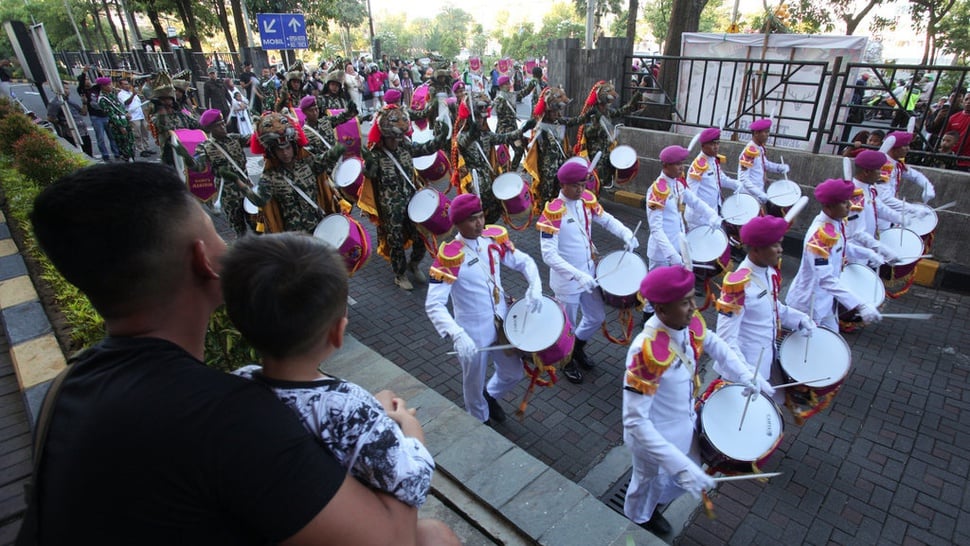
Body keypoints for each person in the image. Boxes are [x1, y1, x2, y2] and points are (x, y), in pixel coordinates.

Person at [26, 162, 458, 545]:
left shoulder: (71, 386)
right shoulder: (229, 420)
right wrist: (400, 432)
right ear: (203, 260)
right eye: (216, 234)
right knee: (434, 537)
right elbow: (393, 538)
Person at [225, 234, 437, 509]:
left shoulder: (238, 381)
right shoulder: (348, 406)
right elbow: (414, 481)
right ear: (338, 332)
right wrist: (406, 423)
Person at [623, 265, 760, 535]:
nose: (694, 307)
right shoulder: (645, 352)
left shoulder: (682, 322)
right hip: (652, 437)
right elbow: (635, 422)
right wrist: (679, 464)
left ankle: (654, 505)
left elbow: (714, 342)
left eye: (692, 298)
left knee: (687, 475)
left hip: (684, 422)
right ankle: (637, 518)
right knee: (646, 481)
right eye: (685, 302)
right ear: (661, 310)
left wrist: (745, 374)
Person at [426, 194, 543, 423]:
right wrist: (457, 334)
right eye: (472, 220)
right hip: (472, 332)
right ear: (458, 223)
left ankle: (490, 396)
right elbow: (434, 303)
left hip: (501, 323)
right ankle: (478, 419)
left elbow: (524, 262)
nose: (480, 223)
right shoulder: (450, 256)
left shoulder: (492, 240)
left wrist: (535, 286)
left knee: (513, 372)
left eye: (480, 216)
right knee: (473, 383)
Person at [538, 159, 637, 384]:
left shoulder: (586, 201)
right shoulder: (553, 212)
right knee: (567, 326)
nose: (581, 189)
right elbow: (548, 255)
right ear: (562, 185)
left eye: (584, 184)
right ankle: (566, 361)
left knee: (596, 317)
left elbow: (607, 220)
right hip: (567, 281)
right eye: (576, 185)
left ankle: (576, 349)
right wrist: (577, 275)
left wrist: (625, 233)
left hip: (590, 274)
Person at [715, 216, 811, 404]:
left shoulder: (769, 271)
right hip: (743, 373)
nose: (781, 250)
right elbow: (725, 339)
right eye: (775, 245)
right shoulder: (738, 285)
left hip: (765, 363)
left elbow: (774, 308)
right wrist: (747, 374)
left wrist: (799, 319)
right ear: (757, 249)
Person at [358, 106, 447, 290]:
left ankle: (413, 264)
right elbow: (370, 174)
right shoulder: (376, 154)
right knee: (395, 242)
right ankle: (399, 274)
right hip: (391, 209)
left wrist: (441, 137)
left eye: (399, 137)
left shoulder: (405, 144)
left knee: (421, 237)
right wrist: (367, 163)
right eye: (393, 138)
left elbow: (426, 148)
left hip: (412, 202)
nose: (397, 140)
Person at [785, 178, 882, 330]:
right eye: (844, 203)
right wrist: (859, 304)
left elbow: (843, 246)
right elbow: (825, 278)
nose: (850, 206)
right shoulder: (820, 237)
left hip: (827, 301)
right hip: (810, 304)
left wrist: (869, 253)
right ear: (829, 207)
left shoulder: (836, 222)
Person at [242, 112, 347, 234]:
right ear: (273, 152)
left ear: (294, 147)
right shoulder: (270, 177)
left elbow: (324, 160)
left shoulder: (308, 163)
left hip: (319, 227)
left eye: (288, 148)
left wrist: (339, 149)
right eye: (280, 150)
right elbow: (261, 201)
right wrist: (241, 185)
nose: (285, 153)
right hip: (295, 236)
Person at [450, 91, 536, 223]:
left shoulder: (486, 135)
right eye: (478, 117)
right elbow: (463, 143)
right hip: (474, 185)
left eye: (483, 118)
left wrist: (523, 130)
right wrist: (472, 134)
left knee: (494, 212)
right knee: (477, 216)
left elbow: (504, 137)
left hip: (489, 181)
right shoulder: (462, 136)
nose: (481, 120)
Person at [645, 145, 720, 270]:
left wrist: (711, 214)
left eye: (682, 163)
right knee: (660, 289)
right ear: (665, 166)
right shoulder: (657, 190)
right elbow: (656, 228)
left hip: (678, 248)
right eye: (677, 164)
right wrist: (671, 255)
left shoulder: (678, 184)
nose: (682, 167)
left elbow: (695, 202)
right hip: (661, 254)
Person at [845, 150, 923, 266]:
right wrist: (882, 249)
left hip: (866, 248)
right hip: (854, 253)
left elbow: (880, 209)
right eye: (878, 170)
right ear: (866, 172)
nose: (881, 173)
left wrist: (902, 218)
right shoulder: (854, 197)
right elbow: (858, 233)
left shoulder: (869, 190)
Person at [523, 86, 591, 210]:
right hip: (547, 169)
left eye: (558, 111)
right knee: (546, 196)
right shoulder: (540, 126)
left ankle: (559, 217)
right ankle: (546, 219)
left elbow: (575, 121)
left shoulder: (559, 122)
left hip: (561, 166)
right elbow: (533, 147)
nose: (557, 114)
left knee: (559, 194)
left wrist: (589, 113)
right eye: (555, 111)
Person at [573, 81, 642, 189]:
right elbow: (586, 131)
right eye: (609, 91)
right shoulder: (592, 112)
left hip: (606, 155)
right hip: (594, 156)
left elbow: (624, 110)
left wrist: (638, 94)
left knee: (603, 183)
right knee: (593, 185)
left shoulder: (608, 112)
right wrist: (597, 127)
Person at [194, 109, 252, 237]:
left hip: (247, 188)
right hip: (229, 194)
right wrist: (190, 162)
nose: (222, 127)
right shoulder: (204, 147)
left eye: (222, 123)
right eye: (218, 126)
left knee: (257, 223)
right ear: (210, 129)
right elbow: (199, 166)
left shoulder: (234, 138)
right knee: (239, 228)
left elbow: (252, 140)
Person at [150, 72, 201, 167]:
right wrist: (161, 106)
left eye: (168, 99)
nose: (167, 101)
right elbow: (164, 124)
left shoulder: (182, 115)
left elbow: (197, 125)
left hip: (187, 150)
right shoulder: (157, 117)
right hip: (170, 154)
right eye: (163, 99)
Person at [686, 127, 740, 213]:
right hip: (700, 217)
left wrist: (737, 185)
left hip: (714, 210)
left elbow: (720, 179)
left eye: (717, 143)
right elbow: (690, 196)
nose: (716, 147)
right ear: (703, 146)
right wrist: (707, 214)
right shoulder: (698, 166)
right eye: (712, 144)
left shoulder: (713, 160)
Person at [737, 118, 790, 205]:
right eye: (765, 132)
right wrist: (759, 193)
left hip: (758, 193)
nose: (767, 135)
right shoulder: (749, 152)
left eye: (768, 132)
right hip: (750, 196)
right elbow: (743, 178)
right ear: (756, 133)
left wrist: (779, 168)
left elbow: (765, 164)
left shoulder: (759, 148)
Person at [880, 131, 936, 207]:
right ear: (893, 148)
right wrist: (912, 208)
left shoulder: (897, 164)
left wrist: (928, 188)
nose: (908, 149)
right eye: (904, 146)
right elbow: (885, 199)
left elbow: (916, 176)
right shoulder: (883, 166)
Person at [493, 75, 536, 169]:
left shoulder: (512, 95)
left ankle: (512, 169)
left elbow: (524, 92)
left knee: (519, 150)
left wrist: (533, 82)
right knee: (503, 153)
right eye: (506, 84)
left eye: (509, 83)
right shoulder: (498, 99)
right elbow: (497, 111)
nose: (509, 85)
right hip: (503, 131)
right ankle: (504, 173)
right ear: (501, 86)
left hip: (514, 130)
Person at [47, 81, 93, 157]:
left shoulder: (70, 101)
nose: (67, 90)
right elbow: (50, 118)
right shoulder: (56, 103)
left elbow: (83, 113)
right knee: (79, 155)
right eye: (65, 88)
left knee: (88, 153)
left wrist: (84, 103)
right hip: (71, 133)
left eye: (68, 88)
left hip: (83, 132)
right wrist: (63, 123)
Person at [97, 77, 135, 162]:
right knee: (124, 145)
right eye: (109, 85)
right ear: (103, 86)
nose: (111, 86)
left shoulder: (112, 95)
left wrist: (126, 113)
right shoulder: (102, 99)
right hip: (117, 125)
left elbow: (120, 107)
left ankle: (132, 159)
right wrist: (120, 126)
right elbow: (111, 114)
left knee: (130, 143)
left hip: (125, 121)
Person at [117, 77, 155, 157]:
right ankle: (141, 150)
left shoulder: (131, 92)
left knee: (145, 133)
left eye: (128, 84)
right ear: (120, 86)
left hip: (140, 115)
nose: (127, 86)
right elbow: (126, 103)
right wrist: (133, 95)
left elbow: (139, 103)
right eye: (125, 84)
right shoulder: (121, 94)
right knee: (137, 134)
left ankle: (146, 147)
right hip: (133, 117)